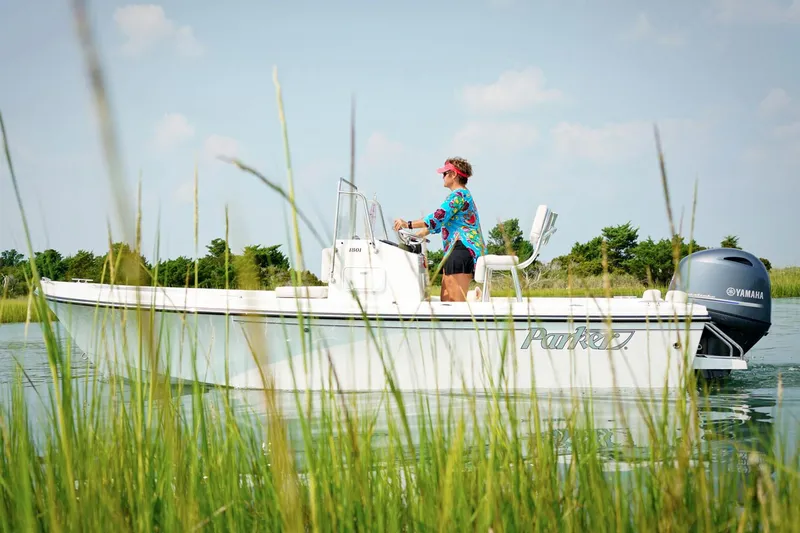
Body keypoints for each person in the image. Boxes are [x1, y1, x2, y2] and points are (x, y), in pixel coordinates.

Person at [393, 157, 486, 302]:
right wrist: (425, 231)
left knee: (452, 306)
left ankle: (473, 299)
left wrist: (408, 224)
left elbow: (438, 217)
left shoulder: (459, 195)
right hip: (459, 251)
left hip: (461, 251)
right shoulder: (464, 195)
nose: (442, 177)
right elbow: (447, 220)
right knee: (446, 302)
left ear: (454, 175)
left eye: (444, 173)